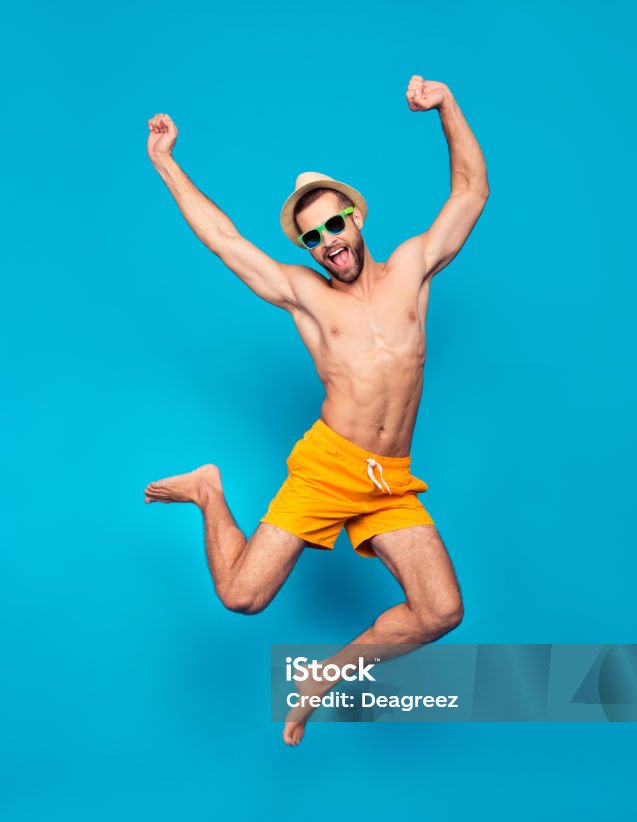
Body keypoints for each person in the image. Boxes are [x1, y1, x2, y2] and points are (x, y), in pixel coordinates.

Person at [144, 74, 490, 746]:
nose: (328, 240)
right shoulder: (307, 295)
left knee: (441, 610)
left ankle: (324, 676)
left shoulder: (413, 268)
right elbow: (225, 241)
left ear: (355, 219)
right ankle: (209, 491)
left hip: (388, 477)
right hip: (330, 467)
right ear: (306, 248)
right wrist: (166, 162)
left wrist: (446, 105)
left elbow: (470, 191)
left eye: (334, 223)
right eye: (312, 236)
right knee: (242, 598)